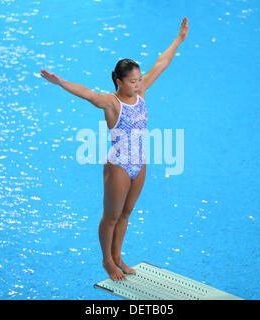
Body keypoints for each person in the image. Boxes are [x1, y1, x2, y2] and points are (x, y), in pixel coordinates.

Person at [40, 17, 189, 280]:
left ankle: (118, 255)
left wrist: (178, 39)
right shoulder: (111, 103)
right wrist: (60, 82)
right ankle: (107, 261)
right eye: (132, 81)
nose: (138, 84)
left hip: (139, 163)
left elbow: (161, 65)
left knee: (127, 213)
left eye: (139, 79)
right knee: (111, 216)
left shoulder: (141, 94)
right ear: (119, 81)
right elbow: (86, 93)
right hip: (118, 165)